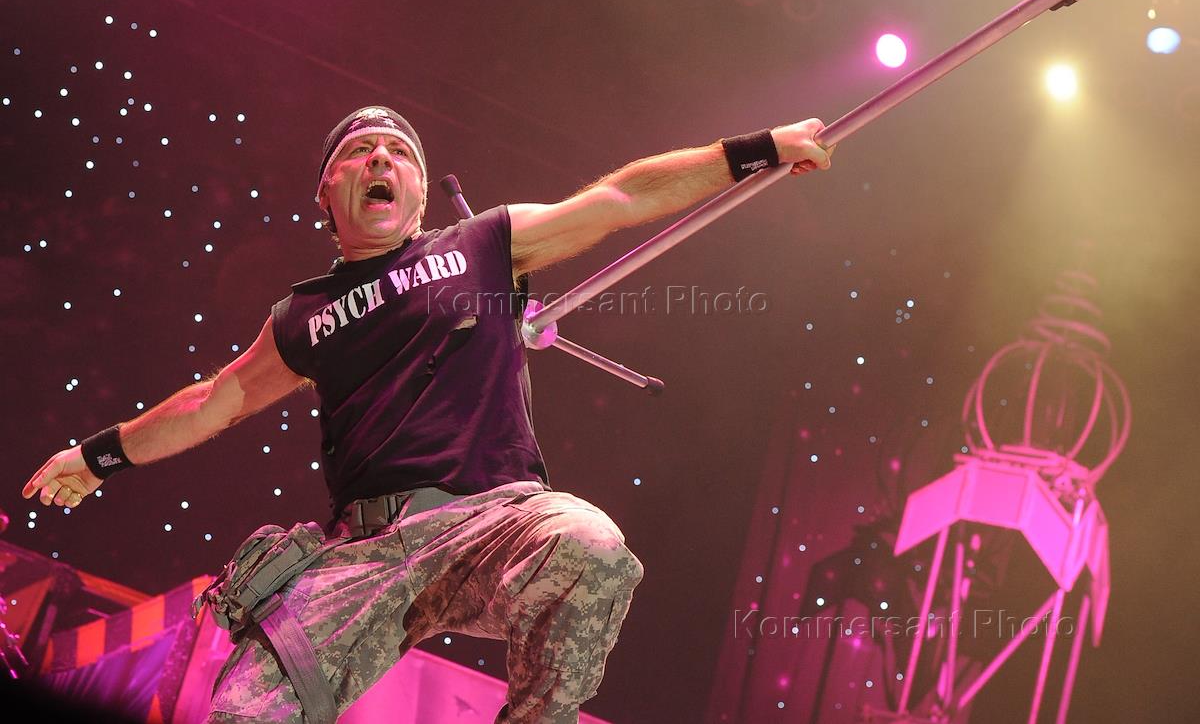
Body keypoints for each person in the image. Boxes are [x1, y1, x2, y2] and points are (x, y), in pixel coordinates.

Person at [23, 107, 832, 723]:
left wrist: (757, 148)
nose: (381, 158)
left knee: (591, 547)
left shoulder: (482, 245)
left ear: (416, 191)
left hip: (496, 519)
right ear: (326, 192)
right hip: (362, 553)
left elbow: (618, 197)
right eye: (359, 151)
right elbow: (211, 401)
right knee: (246, 711)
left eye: (400, 152)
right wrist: (96, 457)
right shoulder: (301, 317)